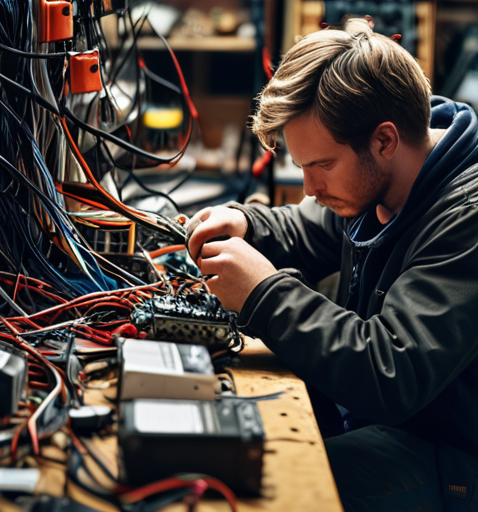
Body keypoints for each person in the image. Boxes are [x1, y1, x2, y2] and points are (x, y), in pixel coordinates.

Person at [186, 18, 478, 512]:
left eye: (320, 165)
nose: (310, 188)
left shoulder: (465, 218)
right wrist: (244, 224)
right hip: (378, 421)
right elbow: (305, 228)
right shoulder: (376, 179)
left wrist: (262, 293)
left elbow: (392, 369)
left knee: (263, 484)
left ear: (384, 141)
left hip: (448, 454)